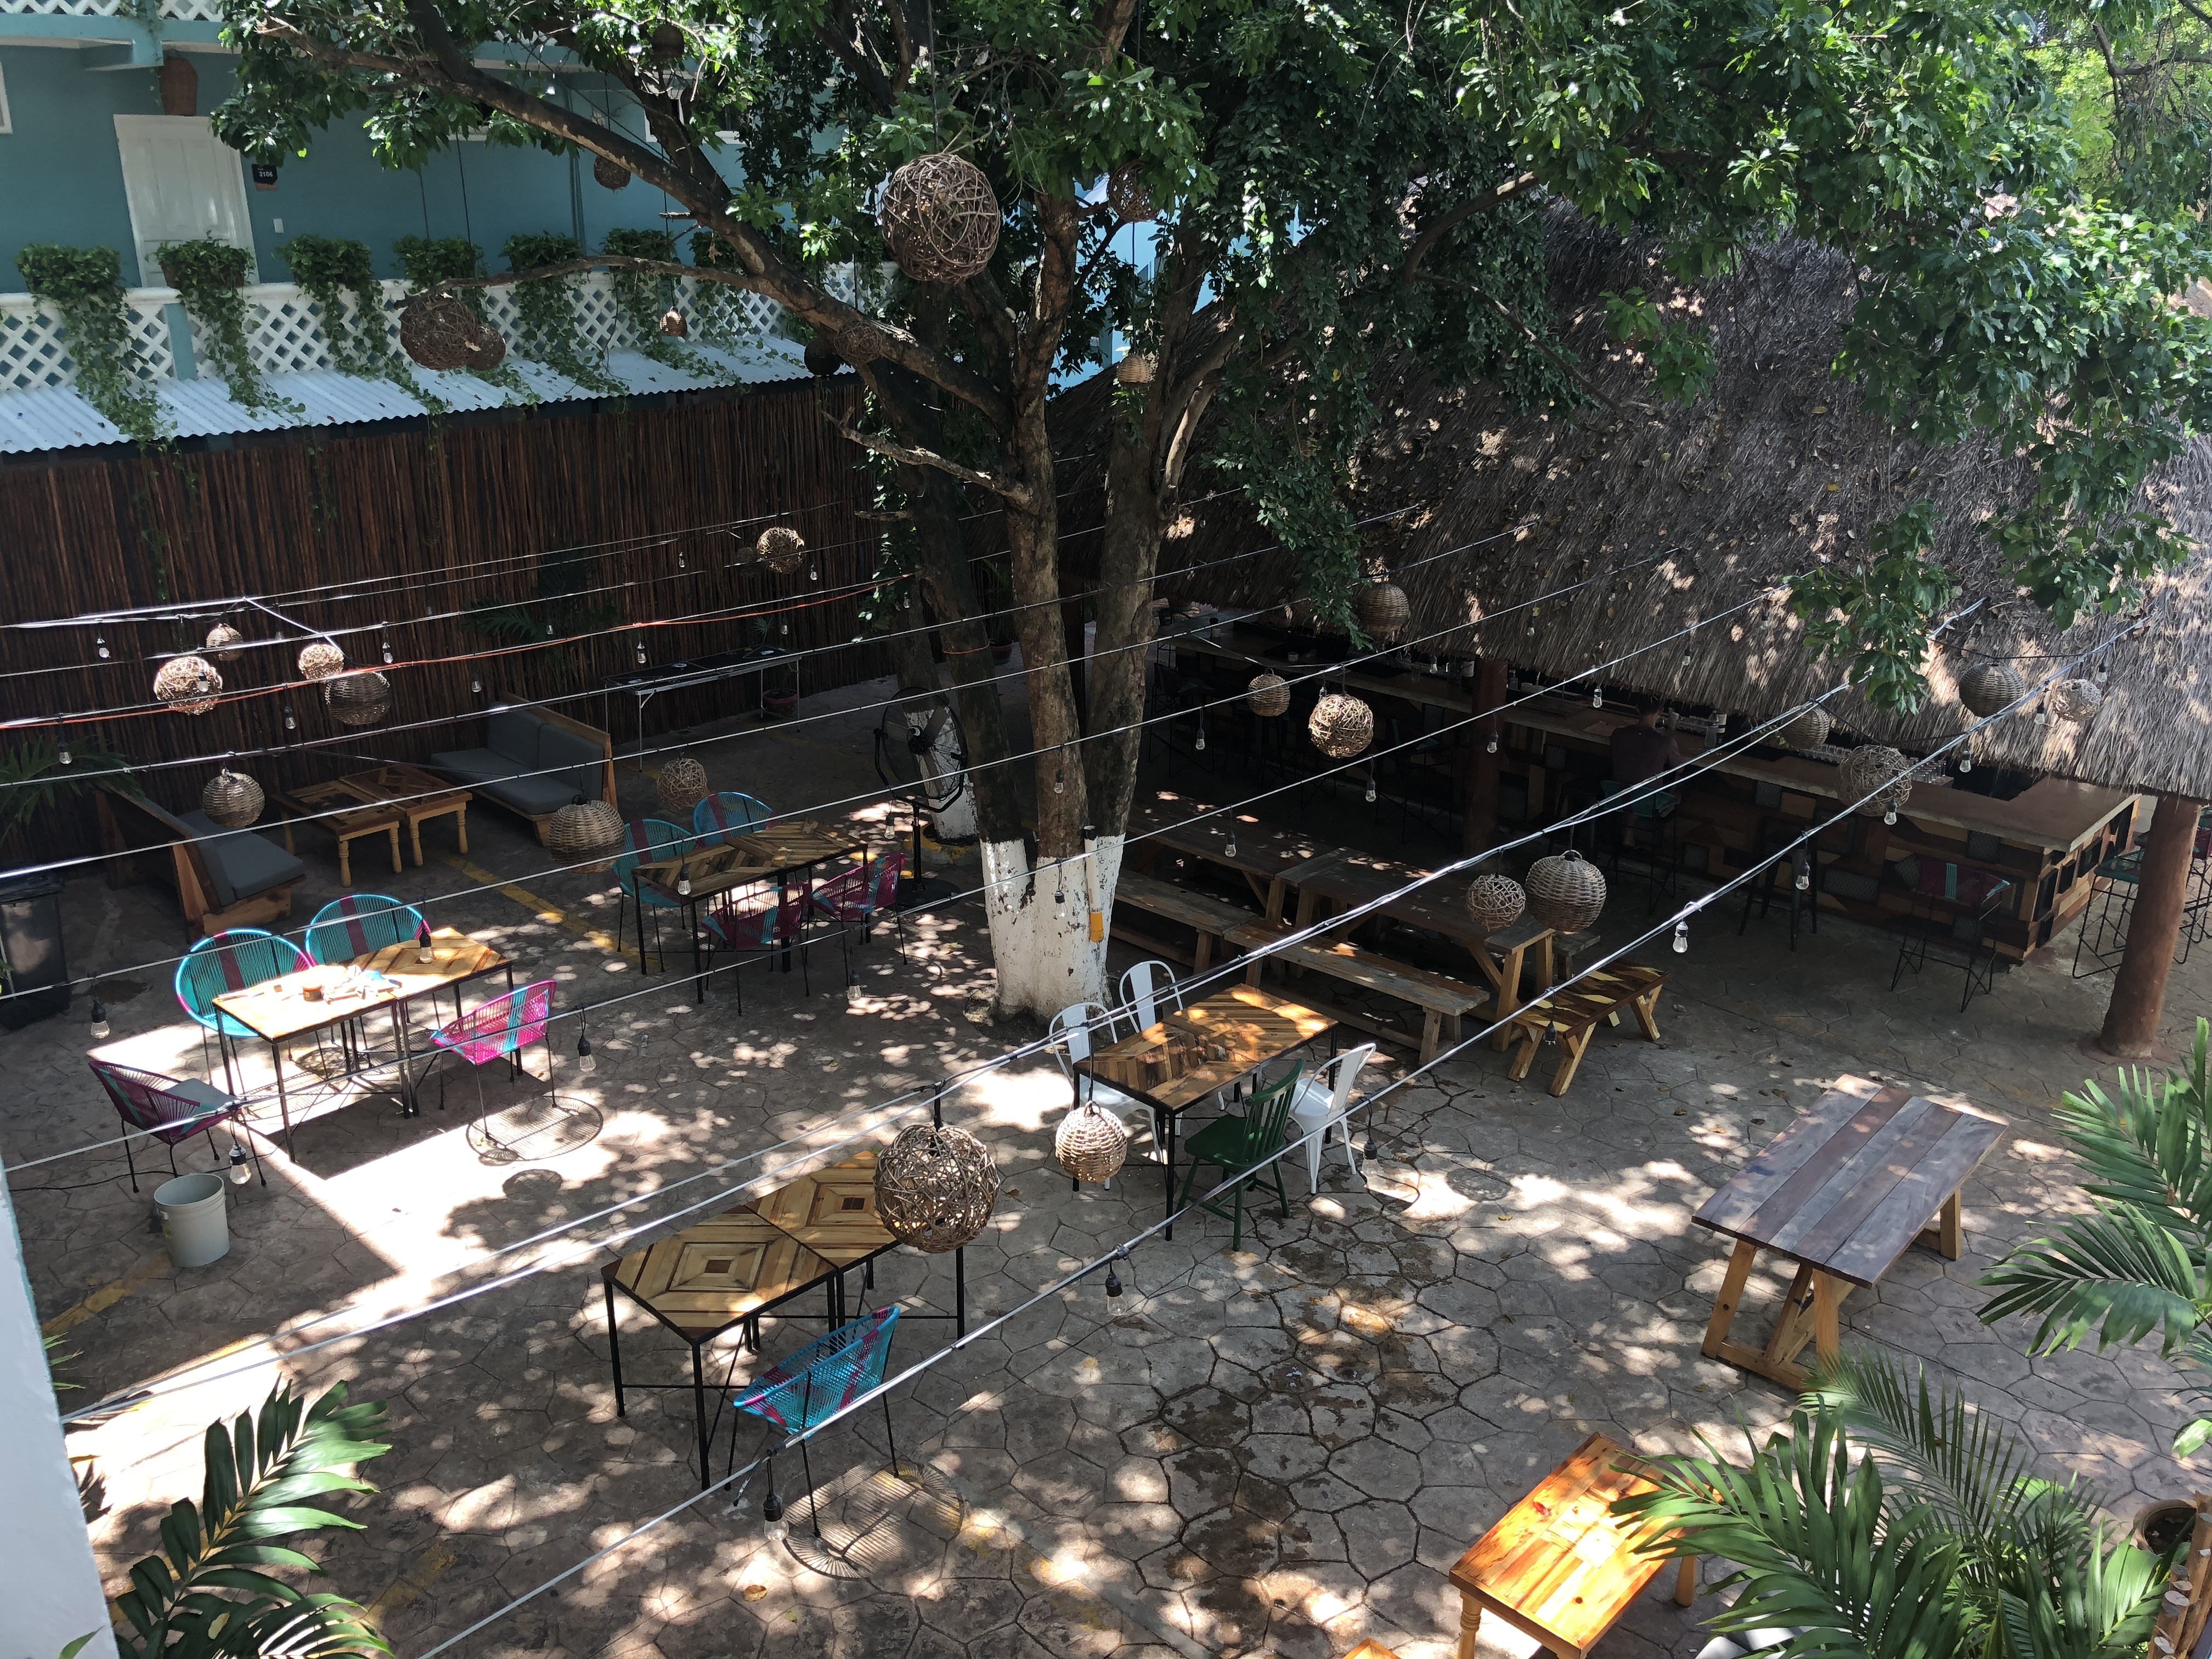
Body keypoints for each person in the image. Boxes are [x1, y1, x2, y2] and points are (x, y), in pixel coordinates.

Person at [1610, 698, 1681, 789]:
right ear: (1661, 711)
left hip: (1617, 797)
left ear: (1637, 708)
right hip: (1648, 800)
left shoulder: (1618, 734)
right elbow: (1680, 769)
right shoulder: (1667, 743)